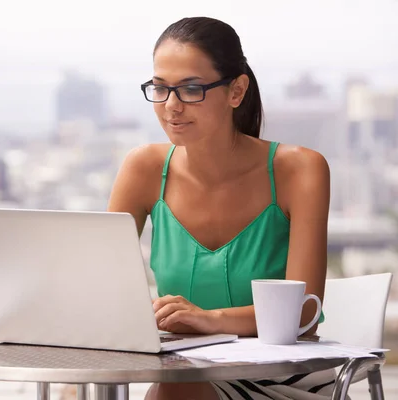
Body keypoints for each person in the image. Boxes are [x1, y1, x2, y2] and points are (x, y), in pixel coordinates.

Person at [107, 17, 334, 400]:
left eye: (191, 89)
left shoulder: (300, 170)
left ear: (236, 91)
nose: (171, 107)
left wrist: (207, 320)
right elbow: (96, 285)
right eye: (160, 89)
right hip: (184, 369)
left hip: (282, 374)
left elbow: (303, 318)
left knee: (171, 394)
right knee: (76, 393)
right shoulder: (143, 168)